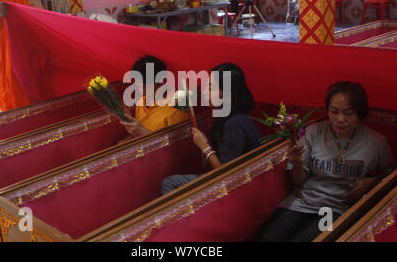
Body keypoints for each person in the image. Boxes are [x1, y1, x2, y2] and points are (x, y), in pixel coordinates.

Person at [256, 81, 396, 242]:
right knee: (268, 238)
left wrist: (371, 182)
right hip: (301, 203)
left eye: (348, 113)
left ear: (360, 113)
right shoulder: (313, 132)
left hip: (336, 209)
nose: (340, 119)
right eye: (334, 112)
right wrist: (297, 163)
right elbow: (298, 181)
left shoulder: (376, 142)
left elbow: (389, 179)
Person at [161, 63, 261, 194]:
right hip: (237, 180)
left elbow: (226, 174)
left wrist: (205, 147)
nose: (205, 92)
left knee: (170, 183)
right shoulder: (230, 117)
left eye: (211, 88)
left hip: (240, 188)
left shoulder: (234, 124)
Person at [119, 55, 189, 138]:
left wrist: (143, 131)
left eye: (145, 86)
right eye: (138, 86)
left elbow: (177, 146)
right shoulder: (142, 101)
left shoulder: (178, 107)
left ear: (163, 81)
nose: (141, 91)